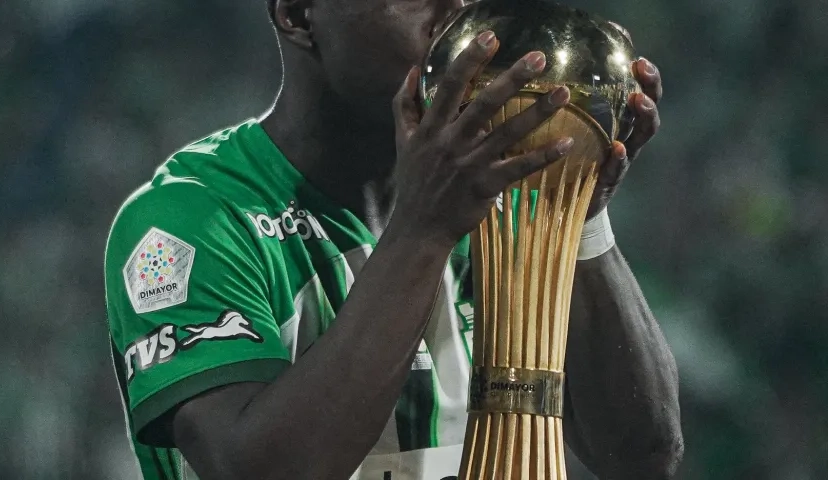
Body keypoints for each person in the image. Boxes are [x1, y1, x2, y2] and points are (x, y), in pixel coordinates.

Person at [104, 0, 683, 478]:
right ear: (298, 16)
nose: (456, 11)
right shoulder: (191, 218)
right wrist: (425, 226)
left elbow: (643, 456)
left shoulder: (499, 194)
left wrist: (577, 210)